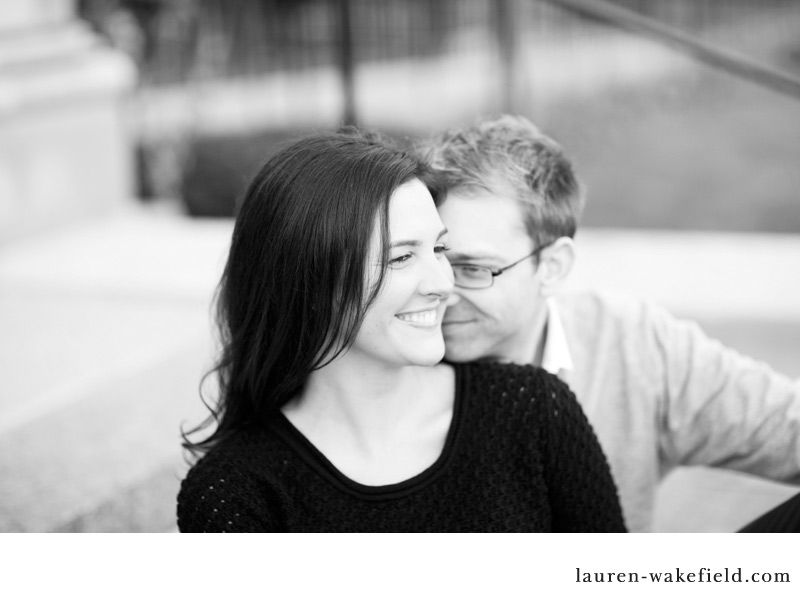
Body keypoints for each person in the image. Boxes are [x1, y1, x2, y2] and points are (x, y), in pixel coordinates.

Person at [176, 128, 626, 533]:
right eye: (402, 257)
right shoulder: (235, 494)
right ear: (308, 280)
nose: (443, 284)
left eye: (440, 249)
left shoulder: (532, 411)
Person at [420, 114, 800, 533]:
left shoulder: (630, 343)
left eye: (472, 268)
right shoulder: (389, 351)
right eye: (425, 259)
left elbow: (784, 426)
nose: (439, 291)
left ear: (552, 267)